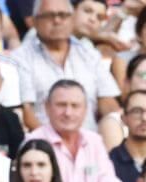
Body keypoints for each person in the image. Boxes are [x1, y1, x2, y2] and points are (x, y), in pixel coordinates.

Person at [25, 80, 125, 182]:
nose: (68, 112)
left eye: (75, 106)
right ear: (47, 107)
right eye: (61, 105)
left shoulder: (94, 141)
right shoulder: (34, 142)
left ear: (86, 110)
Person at [11, 0, 120, 131]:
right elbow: (27, 114)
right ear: (35, 21)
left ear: (72, 18)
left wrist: (116, 125)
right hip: (43, 144)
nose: (57, 21)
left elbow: (108, 102)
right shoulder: (21, 58)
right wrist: (57, 144)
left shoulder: (89, 54)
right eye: (49, 15)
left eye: (63, 15)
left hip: (90, 142)